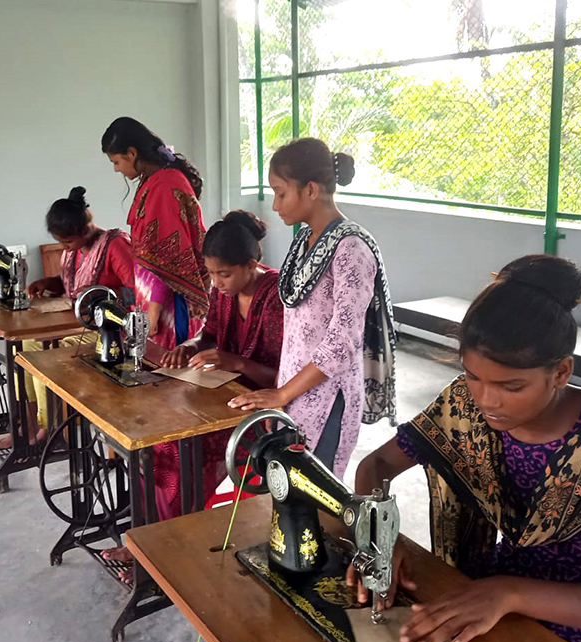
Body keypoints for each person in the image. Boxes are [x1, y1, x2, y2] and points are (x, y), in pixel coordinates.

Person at [350, 255, 581, 642]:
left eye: (512, 387)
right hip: (493, 594)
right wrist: (379, 534)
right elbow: (377, 464)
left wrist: (509, 592)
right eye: (473, 377)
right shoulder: (465, 406)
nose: (488, 401)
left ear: (561, 372)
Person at [101, 210, 285, 581]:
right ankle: (148, 542)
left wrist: (235, 361)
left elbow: (286, 375)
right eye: (212, 274)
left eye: (224, 274)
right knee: (152, 441)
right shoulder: (224, 292)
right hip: (219, 394)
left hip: (257, 411)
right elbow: (210, 333)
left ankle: (167, 553)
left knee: (173, 449)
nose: (216, 283)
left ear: (252, 265)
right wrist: (189, 345)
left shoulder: (277, 296)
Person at [229, 138, 397, 479]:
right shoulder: (305, 242)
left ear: (310, 190)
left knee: (315, 493)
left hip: (326, 397)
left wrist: (282, 393)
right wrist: (282, 392)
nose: (275, 206)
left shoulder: (351, 248)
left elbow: (341, 344)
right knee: (288, 488)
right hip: (294, 390)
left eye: (280, 192)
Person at [0, 187, 134, 451]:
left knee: (49, 354)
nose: (65, 248)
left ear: (85, 229)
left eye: (67, 242)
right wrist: (49, 283)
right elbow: (71, 282)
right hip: (73, 321)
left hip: (105, 330)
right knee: (25, 347)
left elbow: (136, 289)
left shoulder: (116, 245)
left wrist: (99, 301)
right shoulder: (73, 250)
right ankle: (28, 423)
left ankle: (51, 426)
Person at [101, 117, 210, 349]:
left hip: (168, 304)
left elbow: (167, 257)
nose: (116, 169)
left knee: (168, 371)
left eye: (117, 161)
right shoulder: (155, 180)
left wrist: (153, 311)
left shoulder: (164, 186)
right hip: (154, 297)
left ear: (132, 153)